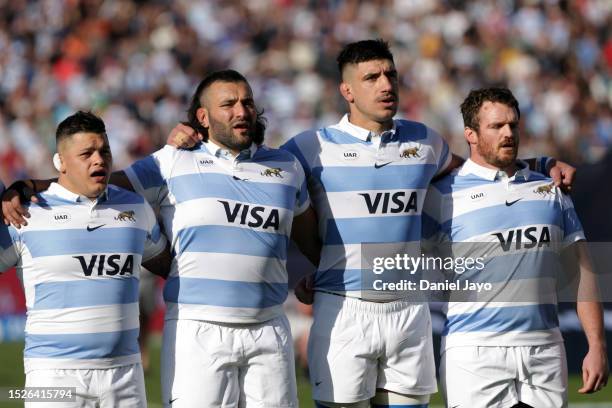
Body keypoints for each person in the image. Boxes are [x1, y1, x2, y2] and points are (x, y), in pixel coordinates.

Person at [163, 40, 577, 408]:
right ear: (347, 91)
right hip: (344, 309)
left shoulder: (425, 141)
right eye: (372, 77)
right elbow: (247, 169)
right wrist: (193, 137)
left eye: (391, 75)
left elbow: (479, 168)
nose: (386, 85)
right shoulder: (309, 148)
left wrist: (539, 165)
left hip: (408, 310)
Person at [2, 70, 321, 407]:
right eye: (228, 104)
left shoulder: (287, 167)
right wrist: (29, 186)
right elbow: (96, 183)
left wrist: (324, 277)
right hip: (192, 331)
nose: (241, 111)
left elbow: (309, 238)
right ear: (203, 116)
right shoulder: (171, 161)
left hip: (268, 328)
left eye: (247, 102)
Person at [422, 87, 609, 407]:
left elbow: (581, 272)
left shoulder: (550, 189)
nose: (508, 133)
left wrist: (596, 345)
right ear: (471, 134)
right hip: (473, 351)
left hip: (545, 349)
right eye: (496, 126)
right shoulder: (442, 195)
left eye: (513, 125)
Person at [0, 111, 171, 407]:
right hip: (53, 376)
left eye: (104, 150)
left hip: (125, 375)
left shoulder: (135, 207)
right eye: (86, 153)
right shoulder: (26, 214)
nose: (99, 159)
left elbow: (171, 266)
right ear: (61, 162)